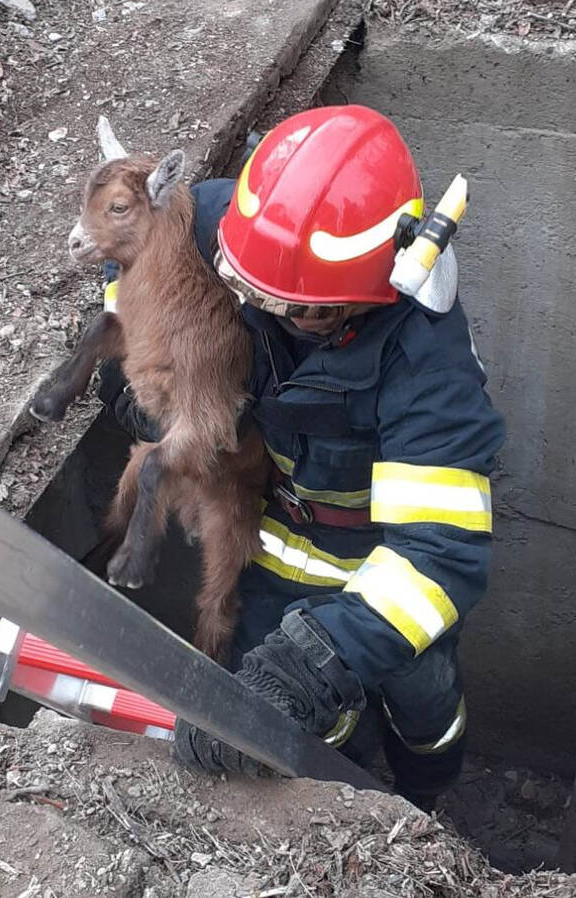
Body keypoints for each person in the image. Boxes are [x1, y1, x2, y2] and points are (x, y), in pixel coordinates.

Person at [98, 105, 505, 809]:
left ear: (373, 292)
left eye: (304, 311)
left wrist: (313, 664)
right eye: (247, 290)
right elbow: (128, 263)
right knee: (294, 712)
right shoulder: (226, 225)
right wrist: (142, 389)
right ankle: (331, 791)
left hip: (381, 571)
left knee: (424, 705)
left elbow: (439, 556)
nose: (266, 312)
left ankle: (424, 805)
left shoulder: (426, 367)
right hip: (269, 537)